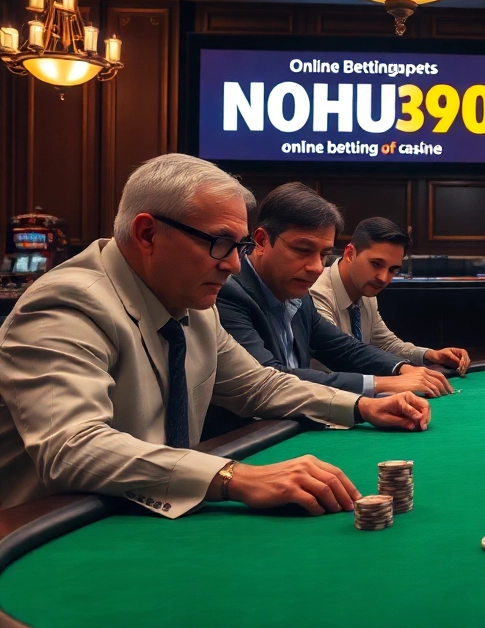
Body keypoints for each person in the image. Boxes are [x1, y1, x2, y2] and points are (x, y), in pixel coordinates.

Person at [0, 154, 429, 517]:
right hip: (47, 533)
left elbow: (259, 385)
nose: (235, 265)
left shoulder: (192, 303)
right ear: (148, 233)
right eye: (220, 243)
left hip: (145, 519)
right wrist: (233, 476)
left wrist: (361, 406)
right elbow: (73, 449)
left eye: (237, 245)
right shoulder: (66, 303)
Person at [217, 183, 452, 399]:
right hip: (243, 438)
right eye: (302, 249)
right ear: (261, 240)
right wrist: (382, 384)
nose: (317, 268)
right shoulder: (228, 293)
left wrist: (403, 368)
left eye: (323, 254)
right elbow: (271, 378)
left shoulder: (297, 292)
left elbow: (343, 348)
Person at [310, 217, 471, 376]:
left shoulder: (366, 289)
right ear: (350, 253)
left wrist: (431, 355)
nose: (384, 278)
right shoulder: (316, 293)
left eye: (393, 269)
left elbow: (387, 344)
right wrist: (402, 369)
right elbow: (342, 353)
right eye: (376, 264)